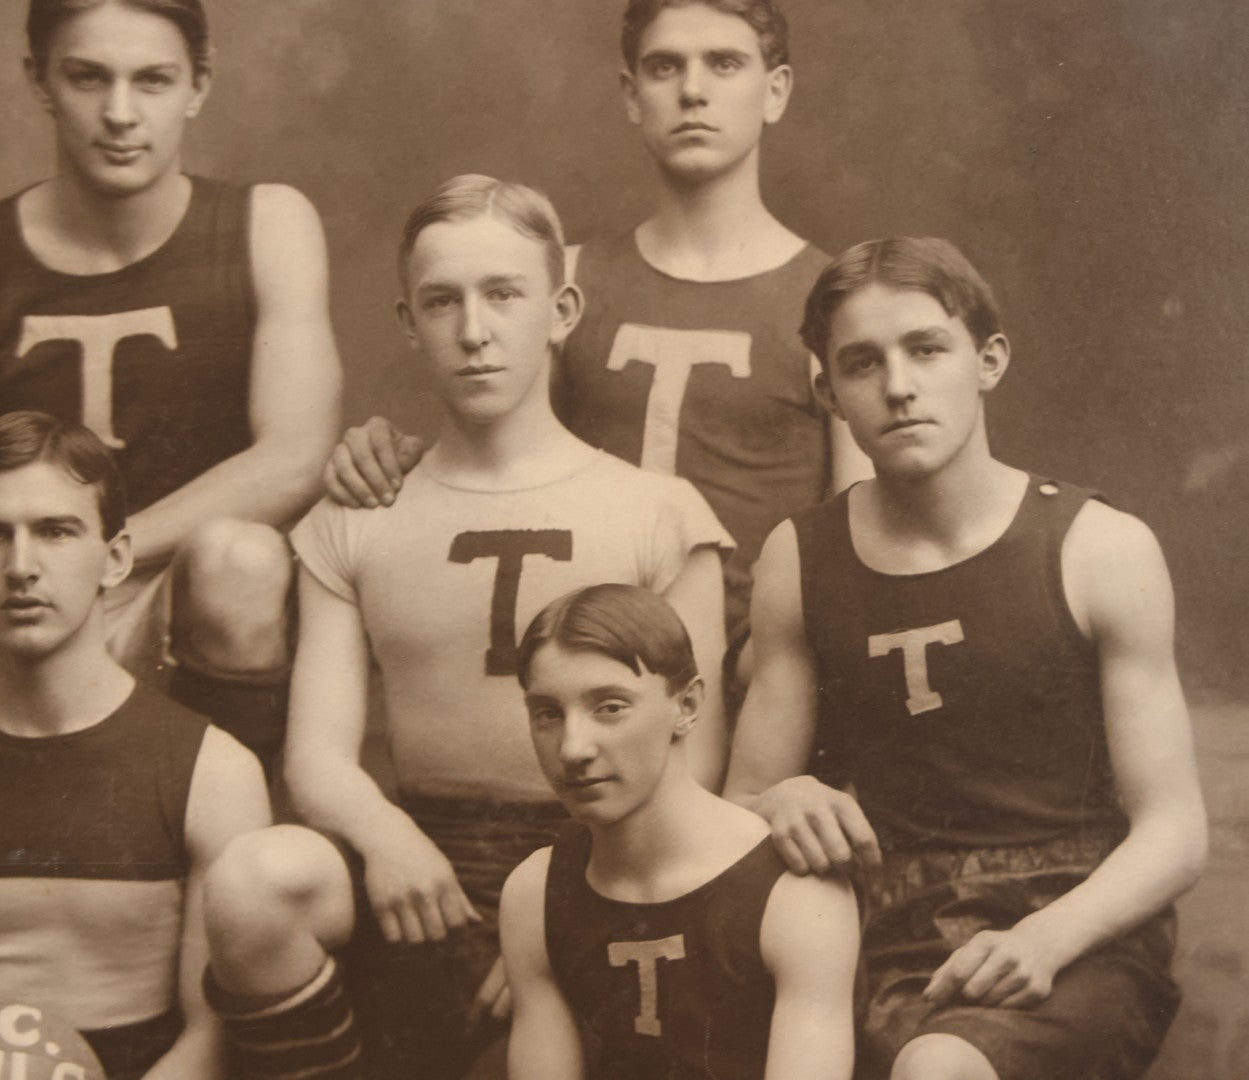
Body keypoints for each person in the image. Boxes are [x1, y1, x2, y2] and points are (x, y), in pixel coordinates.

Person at [200, 175, 733, 1080]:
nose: (473, 330)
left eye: (503, 295)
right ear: (408, 322)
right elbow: (318, 758)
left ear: (561, 310)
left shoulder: (657, 512)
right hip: (420, 869)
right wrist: (385, 836)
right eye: (441, 301)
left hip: (594, 864)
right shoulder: (360, 514)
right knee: (256, 883)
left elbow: (695, 761)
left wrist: (560, 903)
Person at [722, 237, 1208, 1080]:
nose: (899, 386)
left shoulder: (1098, 549)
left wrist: (1046, 939)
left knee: (935, 1070)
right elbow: (741, 799)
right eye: (862, 363)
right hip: (877, 929)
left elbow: (1173, 831)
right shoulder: (799, 560)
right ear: (827, 393)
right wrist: (784, 797)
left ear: (986, 361)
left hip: (1072, 929)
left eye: (925, 349)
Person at [323, 0, 872, 670]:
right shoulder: (566, 278)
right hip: (575, 665)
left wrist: (773, 662)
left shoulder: (835, 301)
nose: (692, 90)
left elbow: (859, 534)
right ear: (631, 95)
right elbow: (486, 450)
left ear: (775, 89)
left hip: (750, 670)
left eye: (723, 63)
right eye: (664, 66)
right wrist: (387, 454)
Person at [1, 0, 343, 764]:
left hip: (169, 595)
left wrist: (105, 558)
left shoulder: (265, 223)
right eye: (89, 78)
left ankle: (240, 837)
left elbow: (293, 455)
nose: (121, 113)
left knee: (240, 559)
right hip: (17, 582)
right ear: (39, 80)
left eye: (152, 80)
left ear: (198, 83)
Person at [0, 409, 270, 1080]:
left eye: (55, 532)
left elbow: (212, 1041)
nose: (21, 566)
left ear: (115, 558)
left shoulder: (211, 772)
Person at [500, 583, 859, 1080]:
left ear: (687, 706)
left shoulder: (793, 890)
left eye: (610, 707)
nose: (572, 748)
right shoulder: (534, 892)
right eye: (548, 714)